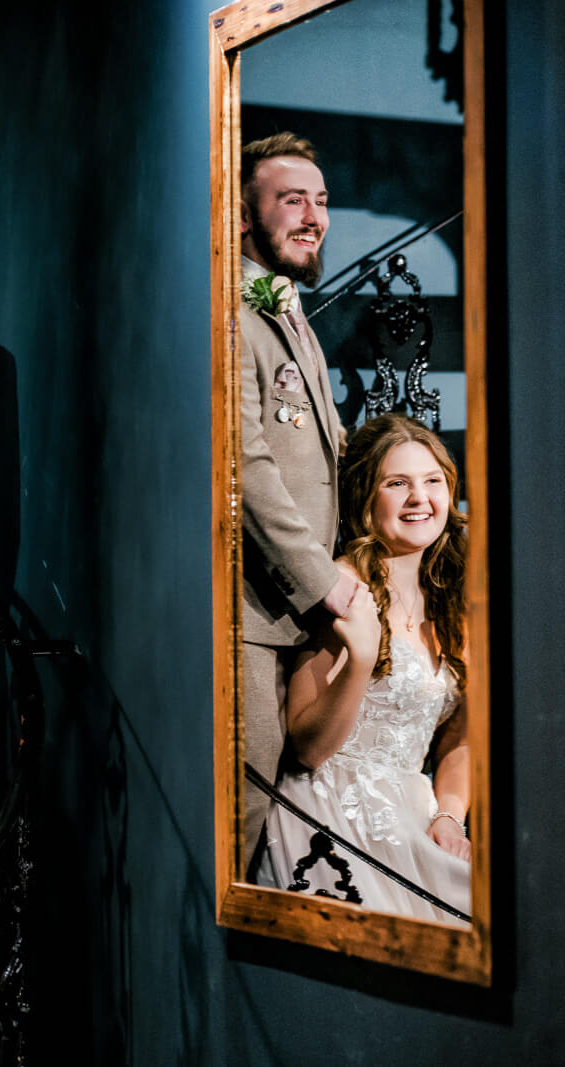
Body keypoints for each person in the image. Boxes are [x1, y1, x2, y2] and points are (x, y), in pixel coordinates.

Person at [256, 414, 470, 922]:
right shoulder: (341, 589)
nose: (420, 498)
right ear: (365, 499)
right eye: (398, 484)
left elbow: (462, 737)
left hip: (416, 813)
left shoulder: (453, 600)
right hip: (331, 813)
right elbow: (307, 748)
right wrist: (361, 662)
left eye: (432, 481)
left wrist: (449, 817)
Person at [236, 131, 362, 874]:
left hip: (298, 618)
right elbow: (246, 468)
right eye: (292, 200)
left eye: (320, 201)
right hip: (254, 614)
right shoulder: (233, 316)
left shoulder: (287, 312)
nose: (313, 216)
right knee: (247, 813)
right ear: (245, 216)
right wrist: (324, 582)